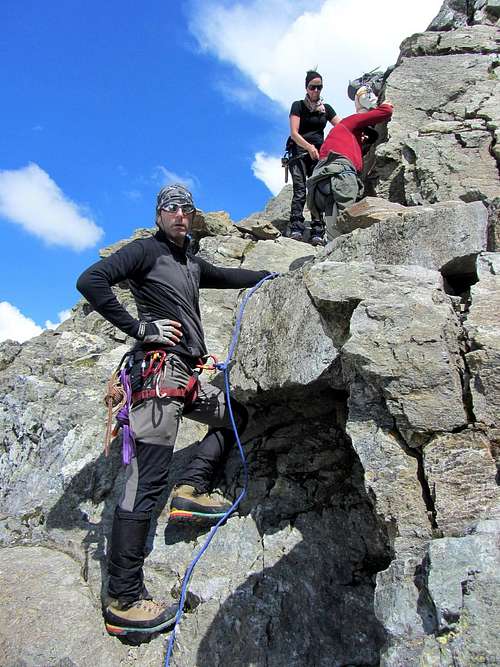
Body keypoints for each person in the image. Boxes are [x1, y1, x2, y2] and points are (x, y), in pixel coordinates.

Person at [76, 184, 272, 636]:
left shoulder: (189, 263)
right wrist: (141, 328)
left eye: (186, 208)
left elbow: (227, 275)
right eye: (171, 208)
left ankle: (193, 487)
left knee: (234, 417)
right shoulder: (146, 252)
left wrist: (269, 275)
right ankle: (124, 600)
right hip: (157, 376)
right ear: (159, 215)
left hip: (184, 377)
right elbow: (91, 281)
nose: (180, 214)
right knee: (146, 483)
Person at [306, 93, 394, 242]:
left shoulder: (339, 140)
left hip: (320, 185)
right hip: (340, 175)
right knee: (347, 225)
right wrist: (386, 105)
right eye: (365, 133)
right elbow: (385, 112)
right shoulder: (347, 123)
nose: (365, 138)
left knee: (335, 233)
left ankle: (333, 254)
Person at [287, 69, 341, 246]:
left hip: (319, 154)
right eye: (312, 87)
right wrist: (309, 147)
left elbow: (341, 127)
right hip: (300, 152)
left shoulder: (326, 109)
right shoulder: (298, 106)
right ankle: (296, 225)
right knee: (300, 189)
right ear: (306, 87)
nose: (316, 91)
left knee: (318, 191)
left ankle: (318, 228)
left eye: (319, 87)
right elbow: (294, 133)